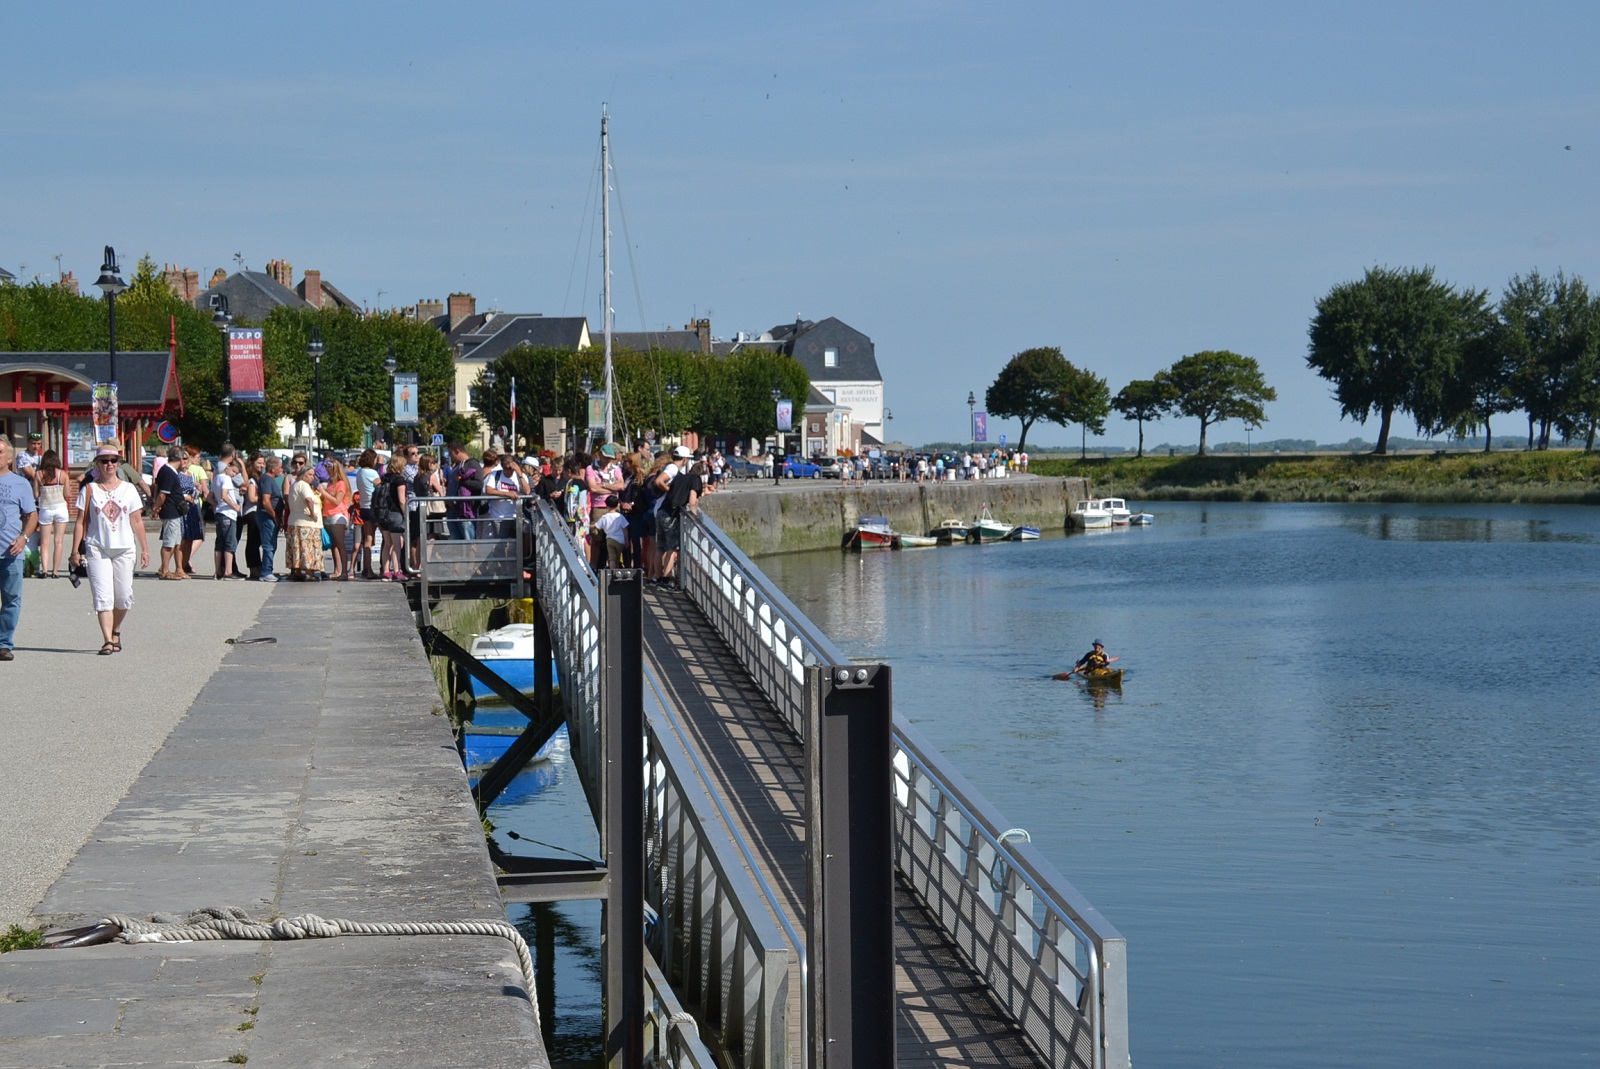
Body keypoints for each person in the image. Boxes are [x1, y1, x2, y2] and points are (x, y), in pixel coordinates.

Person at [70, 445, 149, 654]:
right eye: (104, 461)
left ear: (118, 463)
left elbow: (137, 521)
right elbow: (80, 522)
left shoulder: (129, 489)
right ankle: (107, 640)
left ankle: (116, 629)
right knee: (103, 596)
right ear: (97, 464)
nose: (109, 465)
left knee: (123, 597)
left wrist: (145, 549)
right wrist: (75, 551)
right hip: (97, 548)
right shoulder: (90, 490)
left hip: (124, 548)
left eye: (114, 460)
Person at [0, 437, 39, 661]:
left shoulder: (20, 484)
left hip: (10, 553)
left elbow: (32, 515)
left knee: (11, 599)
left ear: (10, 457)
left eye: (0, 452)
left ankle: (4, 644)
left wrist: (24, 538)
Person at [152, 445, 189, 579]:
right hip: (170, 510)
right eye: (184, 458)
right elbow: (163, 494)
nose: (185, 461)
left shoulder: (169, 470)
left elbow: (157, 487)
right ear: (179, 458)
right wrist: (156, 508)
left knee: (176, 541)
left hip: (175, 511)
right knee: (169, 541)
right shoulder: (168, 471)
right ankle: (165, 570)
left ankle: (178, 569)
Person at [32, 449, 70, 579]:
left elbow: (36, 495)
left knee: (44, 542)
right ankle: (55, 571)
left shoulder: (38, 475)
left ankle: (44, 570)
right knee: (58, 541)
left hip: (45, 509)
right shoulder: (63, 475)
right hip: (60, 508)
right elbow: (67, 494)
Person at [285, 467, 324, 581]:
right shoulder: (304, 485)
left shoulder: (295, 485)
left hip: (294, 521)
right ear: (303, 475)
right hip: (307, 523)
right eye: (310, 474)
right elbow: (308, 499)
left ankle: (297, 571)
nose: (313, 477)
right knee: (308, 547)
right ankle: (309, 572)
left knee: (297, 547)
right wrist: (313, 513)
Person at [376, 453, 410, 580]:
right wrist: (406, 514)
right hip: (395, 513)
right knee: (397, 544)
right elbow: (401, 500)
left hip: (382, 513)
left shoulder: (384, 477)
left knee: (387, 543)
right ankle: (396, 571)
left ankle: (385, 571)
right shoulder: (399, 480)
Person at [319, 457, 353, 580]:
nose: (327, 470)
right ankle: (337, 570)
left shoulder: (341, 484)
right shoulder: (329, 483)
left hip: (337, 515)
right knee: (334, 545)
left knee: (340, 544)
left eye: (329, 468)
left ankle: (344, 571)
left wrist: (323, 492)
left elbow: (336, 501)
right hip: (327, 515)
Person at [211, 456, 243, 580]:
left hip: (219, 512)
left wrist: (215, 504)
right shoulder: (226, 479)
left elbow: (213, 495)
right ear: (228, 466)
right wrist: (234, 506)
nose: (234, 474)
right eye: (234, 471)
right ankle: (228, 571)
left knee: (219, 543)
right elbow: (224, 495)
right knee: (229, 543)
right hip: (228, 513)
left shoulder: (217, 478)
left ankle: (218, 570)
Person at [352, 449, 381, 579]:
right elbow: (380, 487)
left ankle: (367, 569)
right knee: (387, 537)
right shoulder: (372, 473)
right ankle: (384, 567)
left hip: (363, 507)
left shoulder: (360, 472)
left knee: (368, 540)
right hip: (373, 507)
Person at [594, 494, 629, 569]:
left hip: (609, 540)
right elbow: (625, 529)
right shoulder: (620, 516)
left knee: (612, 558)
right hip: (620, 540)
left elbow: (597, 526)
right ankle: (617, 571)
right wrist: (627, 540)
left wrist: (588, 525)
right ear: (617, 505)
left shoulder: (604, 517)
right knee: (618, 557)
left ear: (606, 505)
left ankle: (612, 572)